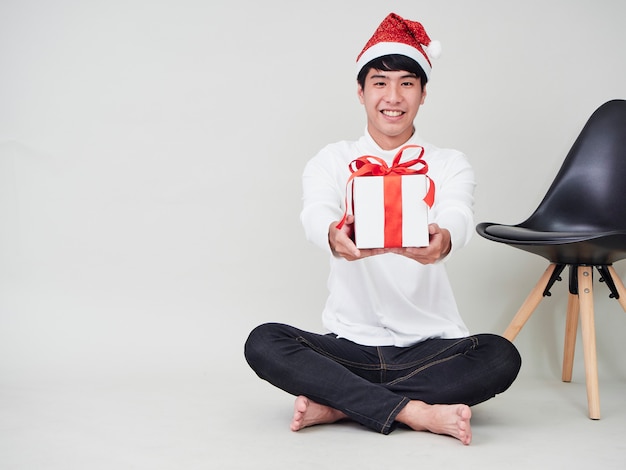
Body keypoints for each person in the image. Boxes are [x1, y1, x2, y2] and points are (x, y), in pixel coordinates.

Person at [244, 12, 521, 445]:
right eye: (379, 82)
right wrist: (333, 236)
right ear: (360, 91)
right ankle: (415, 412)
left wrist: (444, 239)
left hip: (430, 348)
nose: (393, 96)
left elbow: (457, 212)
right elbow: (314, 212)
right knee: (263, 341)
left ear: (423, 93)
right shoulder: (333, 160)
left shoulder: (449, 162)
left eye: (407, 83)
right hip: (349, 345)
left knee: (500, 356)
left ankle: (340, 404)